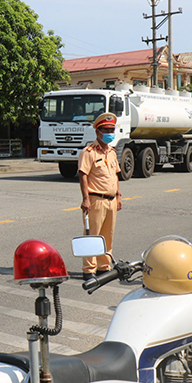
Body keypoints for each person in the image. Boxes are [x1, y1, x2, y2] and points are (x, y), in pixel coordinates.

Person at [78, 112, 122, 280]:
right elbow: (82, 175)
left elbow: (115, 175)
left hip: (111, 200)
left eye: (112, 130)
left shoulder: (111, 152)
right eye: (107, 130)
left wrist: (118, 195)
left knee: (107, 235)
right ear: (98, 132)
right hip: (95, 200)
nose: (110, 133)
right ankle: (89, 270)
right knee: (92, 237)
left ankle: (104, 267)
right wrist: (85, 198)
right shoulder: (88, 152)